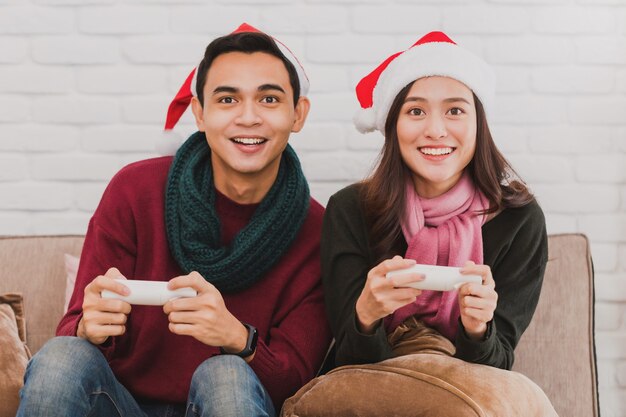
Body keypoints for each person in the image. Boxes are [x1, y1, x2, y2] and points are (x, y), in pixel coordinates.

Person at [17, 23, 332, 417]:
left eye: (269, 99)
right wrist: (88, 327)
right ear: (200, 113)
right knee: (62, 354)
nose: (249, 117)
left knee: (226, 375)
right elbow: (74, 333)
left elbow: (297, 379)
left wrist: (238, 338)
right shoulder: (134, 191)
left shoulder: (317, 232)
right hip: (119, 405)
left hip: (232, 403)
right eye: (227, 100)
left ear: (298, 114)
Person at [282, 31, 556, 416]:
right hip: (366, 388)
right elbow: (347, 358)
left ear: (480, 124)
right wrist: (366, 314)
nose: (436, 130)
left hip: (467, 384)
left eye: (455, 111)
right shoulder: (351, 210)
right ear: (393, 126)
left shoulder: (518, 220)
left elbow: (496, 363)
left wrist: (478, 328)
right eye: (416, 111)